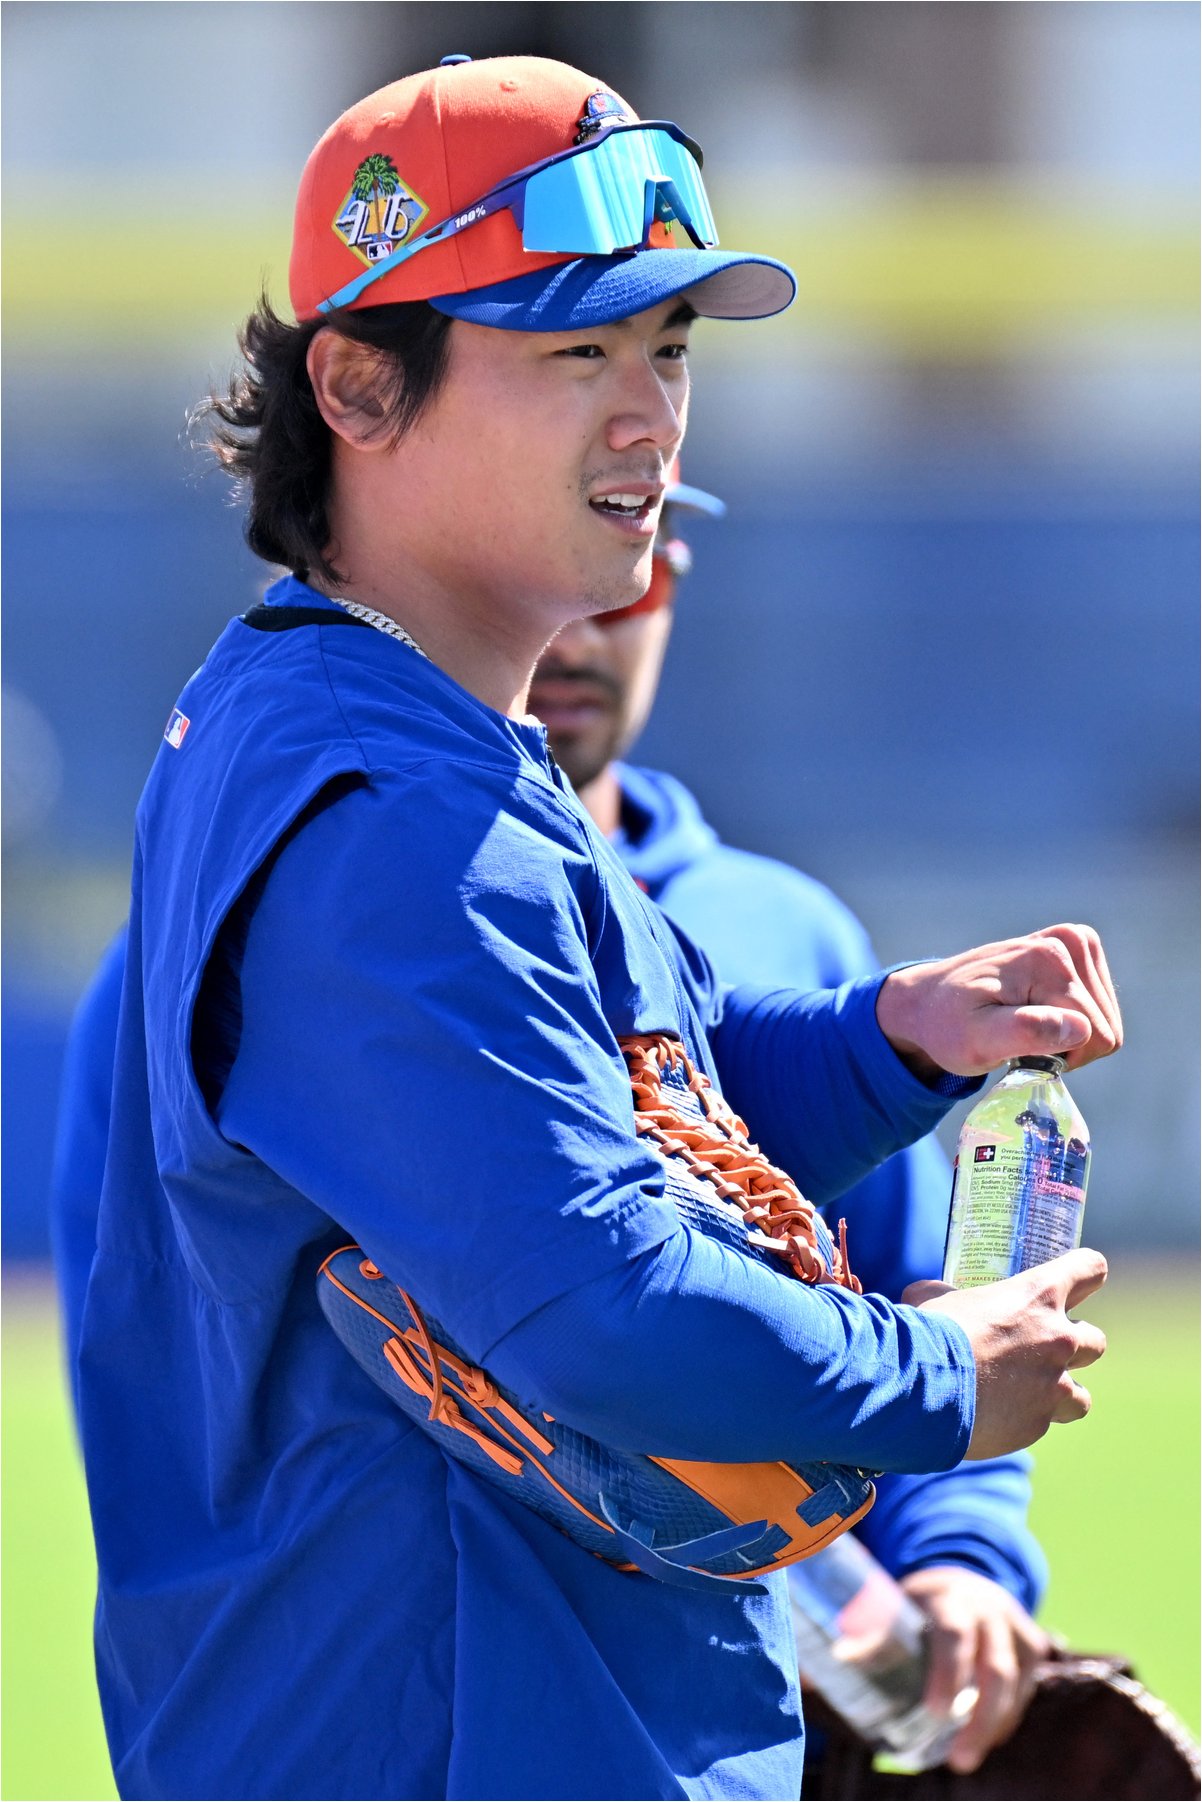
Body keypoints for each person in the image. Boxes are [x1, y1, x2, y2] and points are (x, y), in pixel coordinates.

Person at [69, 54, 1119, 1802]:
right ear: (358, 384)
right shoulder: (385, 811)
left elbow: (656, 1088)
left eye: (669, 349)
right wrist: (939, 1373)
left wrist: (893, 1039)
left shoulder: (410, 736)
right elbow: (601, 1299)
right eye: (574, 353)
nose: (649, 418)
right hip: (452, 1742)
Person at [528, 473, 1053, 1778]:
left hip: (748, 1712)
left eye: (635, 570)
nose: (585, 628)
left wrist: (957, 1561)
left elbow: (921, 1287)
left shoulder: (787, 928)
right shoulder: (286, 922)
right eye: (548, 561)